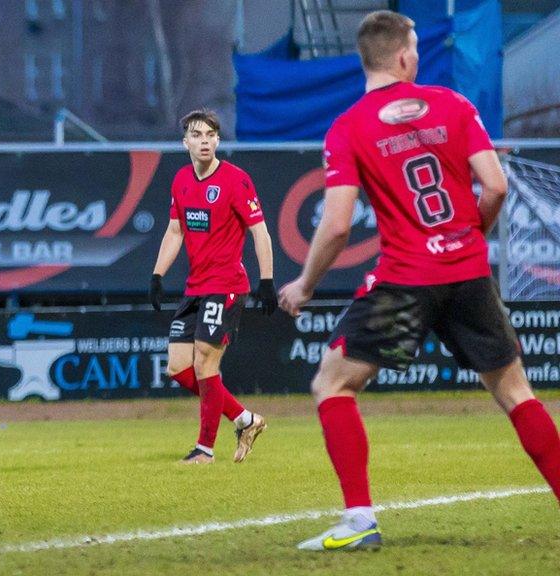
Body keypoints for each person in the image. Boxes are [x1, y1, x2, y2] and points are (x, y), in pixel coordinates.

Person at [279, 10, 560, 551]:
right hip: (469, 275)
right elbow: (496, 187)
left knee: (332, 385)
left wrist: (306, 285)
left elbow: (336, 225)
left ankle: (360, 523)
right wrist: (465, 237)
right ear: (406, 56)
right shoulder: (454, 107)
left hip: (404, 282)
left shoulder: (348, 127)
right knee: (516, 393)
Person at [150, 108, 276, 464]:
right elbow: (175, 231)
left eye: (210, 135)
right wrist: (157, 275)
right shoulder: (181, 181)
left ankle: (204, 450)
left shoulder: (236, 180)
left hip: (226, 285)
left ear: (218, 140)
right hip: (196, 287)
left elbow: (260, 232)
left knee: (205, 363)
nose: (204, 141)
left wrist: (266, 280)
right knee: (178, 367)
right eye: (197, 135)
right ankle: (245, 419)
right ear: (185, 142)